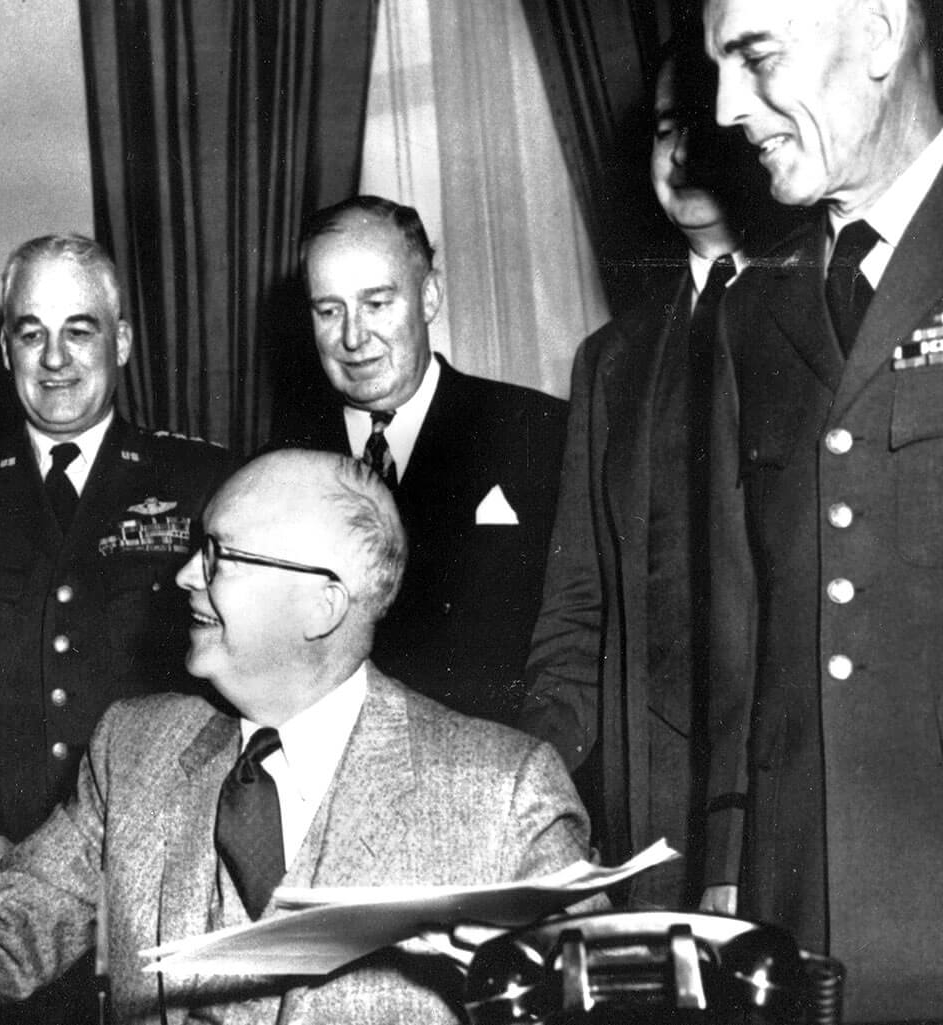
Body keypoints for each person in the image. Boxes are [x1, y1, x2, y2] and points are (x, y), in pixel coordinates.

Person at [0, 449, 597, 1023]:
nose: (181, 575)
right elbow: (2, 933)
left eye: (219, 554)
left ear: (325, 602)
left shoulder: (502, 794)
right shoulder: (136, 749)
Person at [0, 233, 233, 1017]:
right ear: (5, 348)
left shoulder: (202, 482)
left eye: (79, 328)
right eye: (30, 332)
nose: (55, 358)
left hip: (168, 892)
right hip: (0, 888)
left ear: (122, 341)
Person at [704, 0, 943, 1017]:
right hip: (795, 907)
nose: (724, 108)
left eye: (755, 57)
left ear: (881, 32)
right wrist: (727, 861)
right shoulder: (752, 310)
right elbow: (737, 619)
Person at [519, 44, 757, 913]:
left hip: (787, 797)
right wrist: (525, 771)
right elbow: (577, 605)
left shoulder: (828, 310)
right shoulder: (611, 359)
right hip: (652, 805)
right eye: (664, 129)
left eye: (703, 127)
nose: (683, 153)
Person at [274, 196, 567, 726]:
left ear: (429, 296)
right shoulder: (280, 468)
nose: (353, 338)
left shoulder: (538, 434)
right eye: (329, 310)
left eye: (378, 303)